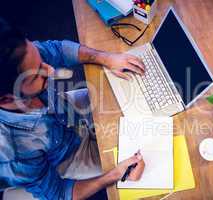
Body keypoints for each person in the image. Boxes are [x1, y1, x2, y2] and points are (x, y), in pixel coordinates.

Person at [0, 18, 145, 200]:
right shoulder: (14, 153)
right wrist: (114, 175)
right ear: (6, 98)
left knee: (134, 98)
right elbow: (60, 194)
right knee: (143, 154)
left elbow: (58, 49)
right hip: (71, 155)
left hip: (67, 111)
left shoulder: (20, 53)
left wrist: (107, 58)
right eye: (38, 75)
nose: (51, 71)